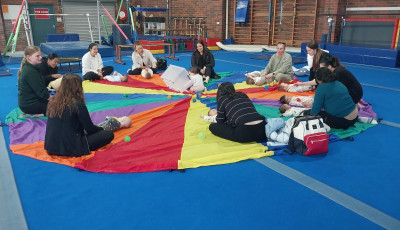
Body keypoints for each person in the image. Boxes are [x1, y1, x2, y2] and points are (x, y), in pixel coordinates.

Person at [45, 73, 114, 157]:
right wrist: (102, 128)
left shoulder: (53, 101)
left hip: (51, 146)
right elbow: (90, 129)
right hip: (71, 147)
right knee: (108, 134)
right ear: (78, 87)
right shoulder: (77, 104)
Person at [296, 56, 363, 105]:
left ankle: (354, 104)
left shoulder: (338, 73)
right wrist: (302, 84)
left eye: (322, 68)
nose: (321, 70)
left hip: (355, 95)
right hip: (354, 93)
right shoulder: (334, 71)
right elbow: (318, 81)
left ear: (329, 67)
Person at [17, 46, 50, 115]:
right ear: (28, 57)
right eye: (37, 56)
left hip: (30, 102)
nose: (40, 57)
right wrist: (54, 99)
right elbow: (42, 92)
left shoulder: (33, 67)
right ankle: (39, 114)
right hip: (29, 105)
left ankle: (42, 112)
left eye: (40, 55)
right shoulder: (30, 71)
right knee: (59, 108)